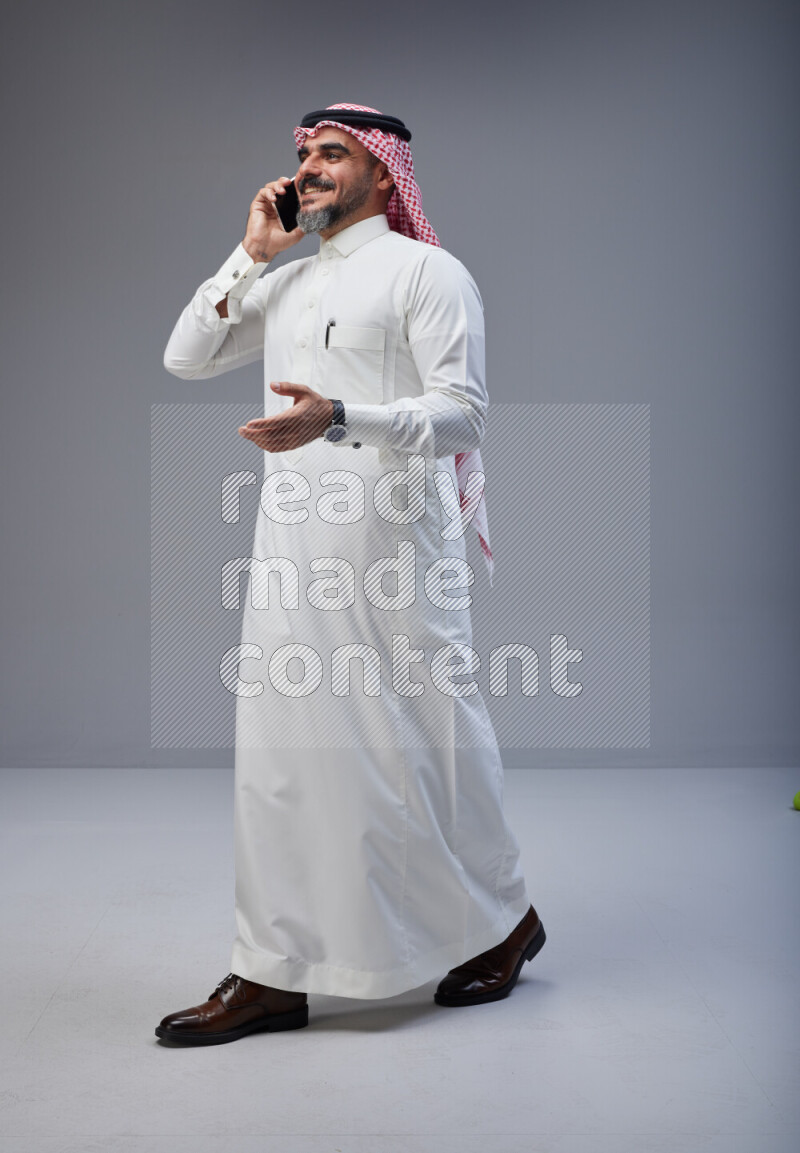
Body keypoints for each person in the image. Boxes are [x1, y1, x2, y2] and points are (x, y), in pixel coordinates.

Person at [156, 103, 545, 1046]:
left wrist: (339, 415)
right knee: (283, 756)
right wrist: (249, 254)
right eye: (303, 155)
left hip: (397, 552)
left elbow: (463, 415)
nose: (312, 167)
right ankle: (275, 969)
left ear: (383, 171)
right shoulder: (284, 284)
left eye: (333, 153)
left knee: (427, 743)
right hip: (292, 555)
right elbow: (186, 356)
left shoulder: (428, 273)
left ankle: (505, 920)